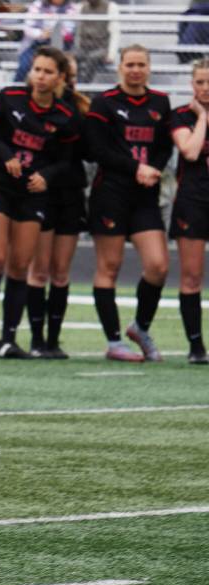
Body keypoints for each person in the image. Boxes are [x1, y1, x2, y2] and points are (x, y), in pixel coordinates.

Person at [0, 45, 78, 359]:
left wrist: (47, 175)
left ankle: (9, 338)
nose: (41, 77)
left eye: (48, 72)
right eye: (37, 69)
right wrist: (5, 154)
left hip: (31, 192)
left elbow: (67, 161)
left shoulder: (65, 116)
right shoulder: (10, 98)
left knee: (19, 265)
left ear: (59, 78)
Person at [85, 45, 173, 362]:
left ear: (149, 68)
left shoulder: (160, 102)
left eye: (141, 64)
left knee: (158, 266)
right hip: (111, 193)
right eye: (130, 64)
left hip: (145, 196)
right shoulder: (104, 103)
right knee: (109, 267)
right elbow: (97, 149)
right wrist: (136, 168)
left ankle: (140, 327)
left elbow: (164, 146)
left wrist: (156, 169)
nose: (136, 69)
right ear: (120, 67)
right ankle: (113, 342)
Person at [25, 53, 89, 359]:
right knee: (39, 270)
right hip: (42, 192)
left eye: (61, 73)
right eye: (41, 70)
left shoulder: (76, 109)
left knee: (61, 272)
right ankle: (37, 340)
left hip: (70, 192)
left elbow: (84, 152)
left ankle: (54, 339)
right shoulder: (33, 105)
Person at [168, 58, 209, 364]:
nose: (205, 88)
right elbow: (191, 151)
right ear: (191, 84)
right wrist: (204, 118)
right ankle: (196, 347)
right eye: (200, 82)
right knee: (191, 276)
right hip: (193, 201)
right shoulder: (181, 115)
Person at [14, 0, 77, 83]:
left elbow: (68, 30)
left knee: (66, 68)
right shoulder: (38, 4)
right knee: (24, 66)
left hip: (61, 46)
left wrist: (53, 33)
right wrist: (41, 33)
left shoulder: (71, 7)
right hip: (35, 44)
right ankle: (16, 89)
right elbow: (28, 28)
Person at [75, 0, 120, 83]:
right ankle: (74, 86)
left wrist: (111, 55)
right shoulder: (81, 7)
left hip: (101, 48)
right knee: (72, 57)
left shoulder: (111, 7)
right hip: (83, 47)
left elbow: (115, 33)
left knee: (92, 58)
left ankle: (85, 87)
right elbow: (77, 32)